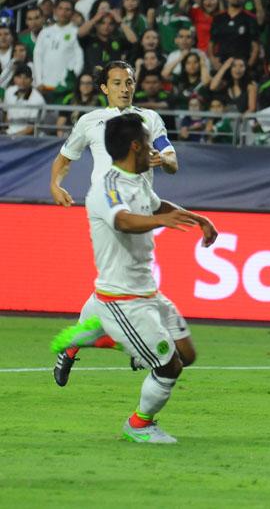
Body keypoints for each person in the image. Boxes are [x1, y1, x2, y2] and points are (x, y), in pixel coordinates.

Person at [49, 113, 217, 443]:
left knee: (187, 355)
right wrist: (161, 222)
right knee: (169, 367)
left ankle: (102, 337)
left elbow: (156, 206)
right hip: (121, 298)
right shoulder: (105, 187)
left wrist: (197, 219)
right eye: (148, 143)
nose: (154, 151)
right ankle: (139, 425)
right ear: (135, 146)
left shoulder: (138, 180)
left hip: (148, 292)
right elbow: (123, 220)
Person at [49, 61, 179, 386]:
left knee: (118, 282)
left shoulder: (149, 119)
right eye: (117, 82)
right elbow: (64, 159)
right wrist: (55, 184)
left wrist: (163, 160)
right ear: (105, 88)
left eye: (129, 82)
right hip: (107, 209)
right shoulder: (90, 121)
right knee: (128, 278)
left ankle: (74, 345)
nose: (124, 88)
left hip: (141, 207)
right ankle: (138, 346)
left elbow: (172, 160)